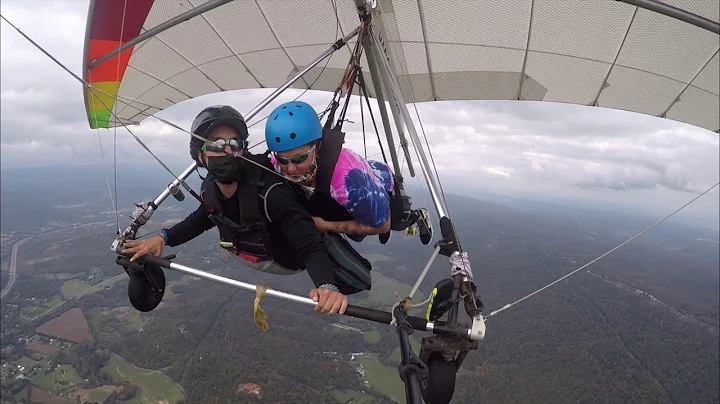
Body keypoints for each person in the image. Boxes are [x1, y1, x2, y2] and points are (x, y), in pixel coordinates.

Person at [121, 105, 374, 316]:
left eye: (234, 143)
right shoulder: (211, 187)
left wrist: (327, 286)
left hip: (285, 259)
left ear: (243, 149)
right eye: (217, 144)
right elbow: (203, 217)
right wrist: (163, 238)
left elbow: (309, 242)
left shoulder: (270, 193)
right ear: (200, 156)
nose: (227, 150)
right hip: (252, 254)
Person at [264, 100, 433, 245]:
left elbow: (383, 225)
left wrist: (325, 226)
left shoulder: (347, 183)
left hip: (381, 188)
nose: (291, 168)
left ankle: (417, 216)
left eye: (299, 159)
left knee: (395, 221)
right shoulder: (279, 162)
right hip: (350, 190)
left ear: (317, 147)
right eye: (283, 160)